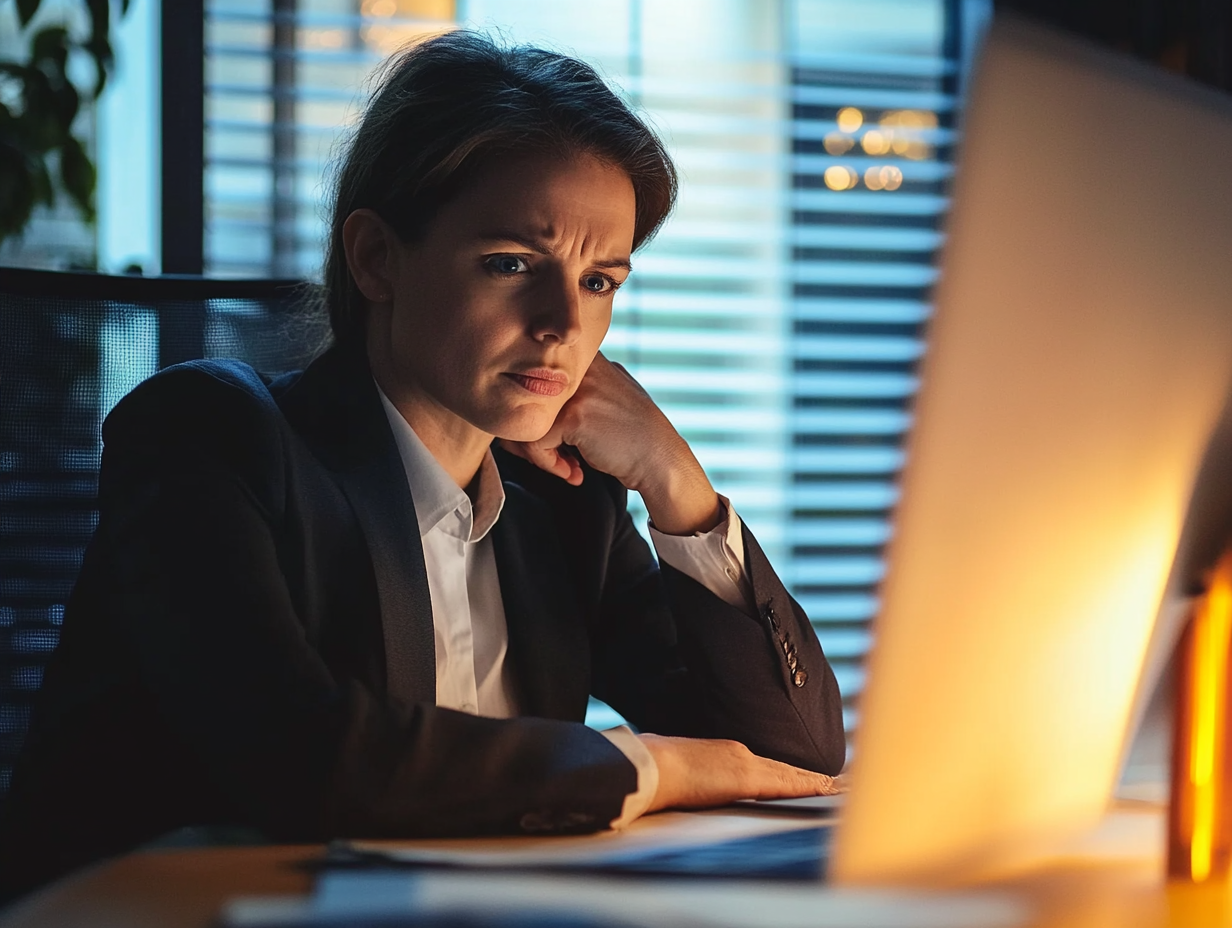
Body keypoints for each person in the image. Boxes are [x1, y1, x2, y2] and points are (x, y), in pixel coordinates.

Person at [0, 31, 846, 898]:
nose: (563, 323)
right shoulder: (211, 437)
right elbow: (300, 760)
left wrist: (679, 487)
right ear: (376, 258)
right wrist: (649, 770)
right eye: (512, 263)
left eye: (600, 281)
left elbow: (792, 756)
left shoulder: (563, 502)